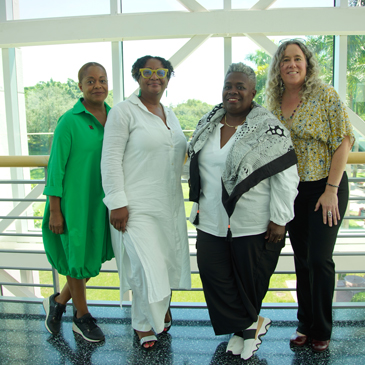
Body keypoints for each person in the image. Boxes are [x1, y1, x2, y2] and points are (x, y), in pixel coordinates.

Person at [188, 62, 299, 360]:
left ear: (253, 92)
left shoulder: (269, 128)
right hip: (210, 219)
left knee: (248, 281)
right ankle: (252, 325)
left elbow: (286, 177)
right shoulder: (208, 124)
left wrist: (279, 218)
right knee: (214, 274)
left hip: (253, 221)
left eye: (240, 87)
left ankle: (244, 331)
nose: (232, 91)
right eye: (228, 86)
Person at [266, 39, 354, 352]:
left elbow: (344, 141)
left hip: (325, 187)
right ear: (278, 66)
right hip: (293, 191)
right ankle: (305, 323)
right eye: (285, 59)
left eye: (297, 58)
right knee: (302, 260)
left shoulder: (324, 94)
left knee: (319, 259)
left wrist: (331, 190)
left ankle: (322, 328)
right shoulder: (273, 101)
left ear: (307, 63)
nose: (292, 64)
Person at [100, 55, 191, 349]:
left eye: (161, 71)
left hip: (168, 203)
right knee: (143, 265)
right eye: (147, 71)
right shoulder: (124, 111)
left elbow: (179, 154)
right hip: (134, 205)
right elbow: (110, 158)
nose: (155, 76)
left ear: (168, 77)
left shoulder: (170, 113)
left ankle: (159, 309)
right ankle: (142, 323)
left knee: (164, 262)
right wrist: (116, 201)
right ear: (137, 76)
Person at [42, 62, 114, 342]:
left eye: (102, 80)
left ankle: (59, 302)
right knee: (76, 259)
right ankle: (81, 316)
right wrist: (56, 210)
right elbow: (56, 167)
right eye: (91, 81)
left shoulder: (115, 116)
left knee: (90, 258)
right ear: (81, 86)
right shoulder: (69, 120)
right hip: (73, 203)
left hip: (101, 202)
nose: (98, 85)